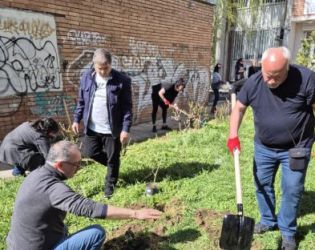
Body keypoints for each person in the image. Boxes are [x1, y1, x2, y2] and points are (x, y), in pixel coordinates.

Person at [227, 47, 315, 250]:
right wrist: (233, 136)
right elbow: (239, 107)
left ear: (287, 68)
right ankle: (267, 220)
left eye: (276, 76)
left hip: (296, 147)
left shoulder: (307, 79)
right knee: (262, 183)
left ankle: (288, 232)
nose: (270, 81)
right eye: (267, 75)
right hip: (264, 146)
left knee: (292, 189)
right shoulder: (255, 82)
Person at [6, 140, 162, 250]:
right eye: (76, 165)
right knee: (96, 233)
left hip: (17, 245)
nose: (79, 168)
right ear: (60, 164)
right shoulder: (53, 188)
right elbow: (91, 209)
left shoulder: (37, 174)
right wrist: (135, 213)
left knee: (63, 227)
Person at [72, 48, 132, 198]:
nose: (104, 72)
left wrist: (125, 129)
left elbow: (127, 107)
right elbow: (81, 101)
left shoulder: (122, 80)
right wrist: (76, 119)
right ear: (94, 66)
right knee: (90, 152)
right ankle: (114, 166)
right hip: (92, 127)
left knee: (113, 157)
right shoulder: (87, 77)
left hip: (112, 129)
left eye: (106, 68)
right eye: (100, 69)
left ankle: (109, 186)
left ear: (111, 65)